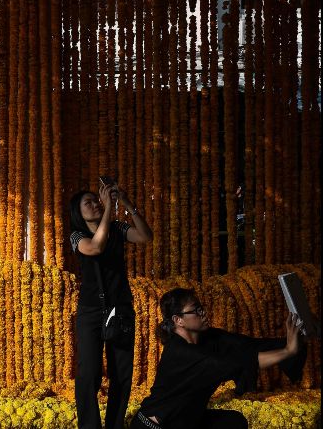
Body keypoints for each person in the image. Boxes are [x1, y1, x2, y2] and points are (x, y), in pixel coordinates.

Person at [130, 288, 307, 429]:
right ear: (178, 320)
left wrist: (296, 338)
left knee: (234, 422)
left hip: (187, 421)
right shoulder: (180, 352)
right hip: (155, 425)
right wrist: (288, 351)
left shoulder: (209, 338)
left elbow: (248, 346)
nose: (203, 313)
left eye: (202, 307)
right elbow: (236, 363)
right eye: (196, 310)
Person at [69, 182, 153, 429]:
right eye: (89, 203)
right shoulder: (77, 236)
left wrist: (126, 204)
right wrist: (108, 208)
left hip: (120, 308)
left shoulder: (117, 228)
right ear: (78, 212)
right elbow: (96, 247)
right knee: (89, 373)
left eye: (97, 200)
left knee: (121, 374)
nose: (95, 204)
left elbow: (146, 237)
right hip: (91, 311)